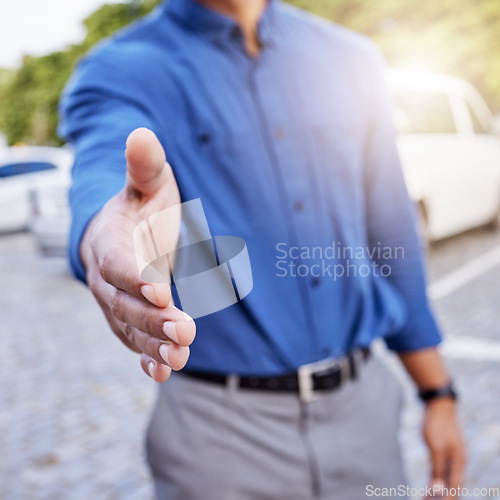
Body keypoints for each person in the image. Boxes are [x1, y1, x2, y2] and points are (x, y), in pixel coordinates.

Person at [59, 0, 466, 498]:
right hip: (220, 433)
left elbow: (390, 233)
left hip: (365, 417)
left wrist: (437, 393)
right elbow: (105, 168)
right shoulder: (122, 68)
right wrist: (105, 231)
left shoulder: (350, 59)